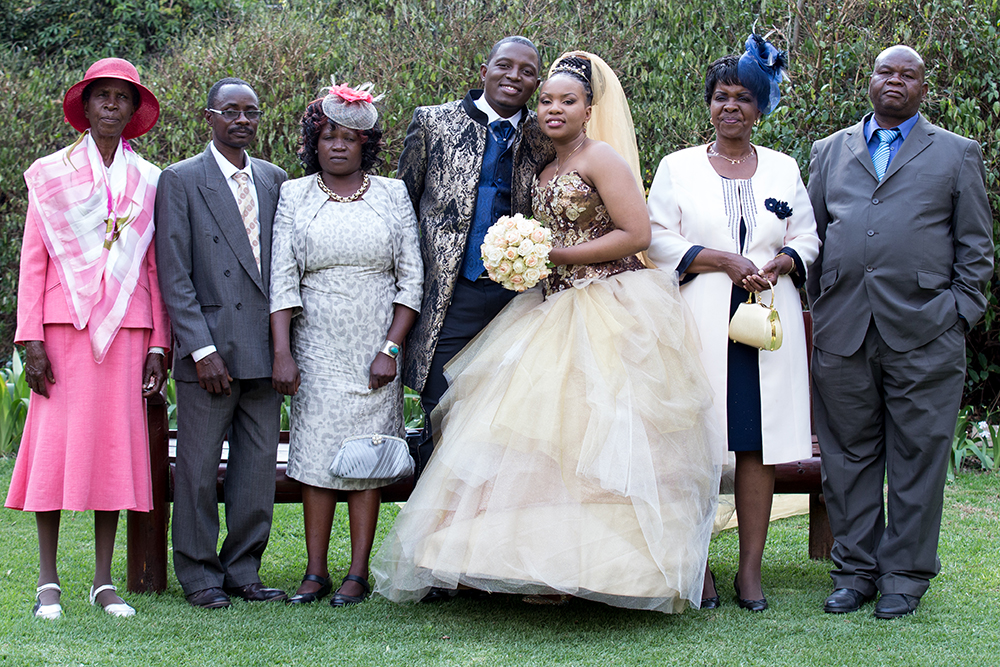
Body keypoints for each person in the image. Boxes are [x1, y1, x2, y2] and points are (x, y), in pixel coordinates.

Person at [372, 52, 722, 613]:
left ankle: (655, 570)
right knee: (543, 443)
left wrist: (554, 254)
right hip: (551, 306)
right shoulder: (541, 167)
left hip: (608, 305)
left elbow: (636, 234)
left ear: (589, 110)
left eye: (568, 101)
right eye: (548, 102)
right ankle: (541, 565)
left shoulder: (601, 157)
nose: (554, 109)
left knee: (614, 438)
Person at [807, 45, 992, 619]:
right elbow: (812, 239)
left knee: (918, 459)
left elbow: (977, 249)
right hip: (844, 332)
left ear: (922, 89)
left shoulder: (957, 153)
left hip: (927, 333)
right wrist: (823, 308)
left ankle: (905, 578)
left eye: (908, 74)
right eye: (886, 71)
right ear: (870, 80)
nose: (895, 80)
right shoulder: (830, 151)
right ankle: (855, 573)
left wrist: (957, 313)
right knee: (847, 459)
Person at [646, 36, 820, 612]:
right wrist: (720, 259)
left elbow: (807, 235)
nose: (731, 107)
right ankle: (696, 566)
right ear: (709, 104)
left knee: (755, 444)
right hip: (700, 318)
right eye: (721, 96)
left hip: (763, 321)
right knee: (696, 445)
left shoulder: (783, 167)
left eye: (743, 98)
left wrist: (784, 261)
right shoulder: (677, 167)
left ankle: (749, 572)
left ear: (759, 107)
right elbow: (655, 237)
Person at [6, 57, 169, 619]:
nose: (111, 105)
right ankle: (47, 582)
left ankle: (103, 582)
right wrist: (30, 338)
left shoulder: (151, 179)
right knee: (53, 451)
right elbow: (32, 261)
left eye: (122, 97)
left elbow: (154, 268)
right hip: (61, 329)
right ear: (86, 104)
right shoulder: (49, 173)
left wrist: (159, 344)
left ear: (133, 109)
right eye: (102, 95)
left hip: (128, 327)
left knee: (113, 452)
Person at [269, 84, 422, 607]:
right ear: (315, 142)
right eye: (328, 135)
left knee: (366, 458)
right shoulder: (294, 194)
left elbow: (411, 279)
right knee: (315, 457)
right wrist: (283, 352)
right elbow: (282, 278)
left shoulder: (392, 194)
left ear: (366, 144)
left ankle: (357, 574)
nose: (338, 145)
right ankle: (315, 573)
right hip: (315, 347)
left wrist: (391, 349)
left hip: (376, 349)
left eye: (350, 137)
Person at [155, 77, 289, 609]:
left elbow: (283, 269)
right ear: (208, 118)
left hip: (265, 347)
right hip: (210, 350)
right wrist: (200, 349)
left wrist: (285, 346)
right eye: (230, 111)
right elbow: (174, 273)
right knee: (197, 469)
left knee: (256, 469)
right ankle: (199, 575)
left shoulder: (275, 179)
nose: (242, 120)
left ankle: (243, 570)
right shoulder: (181, 179)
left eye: (250, 112)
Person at [399, 36, 554, 474]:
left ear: (536, 84)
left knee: (506, 416)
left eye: (527, 71)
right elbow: (405, 206)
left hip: (518, 299)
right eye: (504, 66)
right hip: (449, 297)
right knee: (440, 409)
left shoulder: (544, 135)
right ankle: (433, 514)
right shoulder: (433, 122)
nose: (514, 76)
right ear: (485, 71)